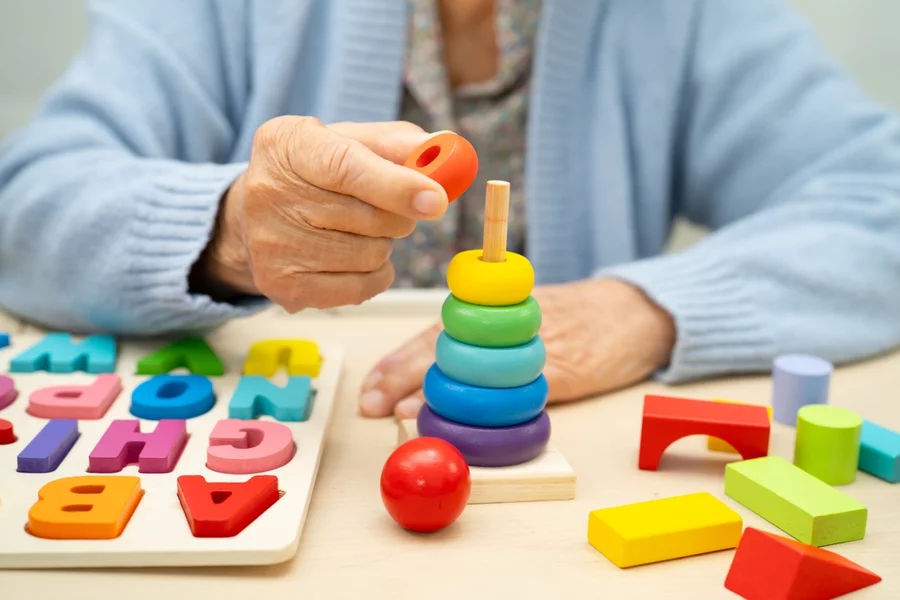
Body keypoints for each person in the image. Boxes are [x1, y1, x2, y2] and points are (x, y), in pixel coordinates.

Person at [1, 0, 900, 422]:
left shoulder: (689, 16)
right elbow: (27, 198)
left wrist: (648, 309)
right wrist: (227, 231)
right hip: (281, 448)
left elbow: (879, 194)